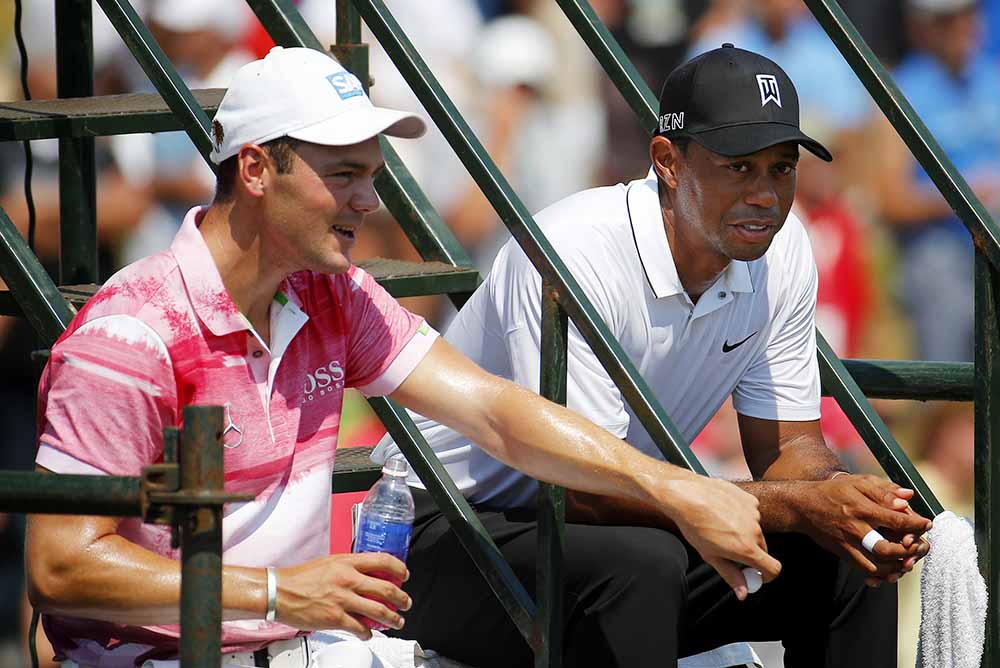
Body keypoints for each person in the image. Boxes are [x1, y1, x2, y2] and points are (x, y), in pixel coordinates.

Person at [24, 46, 777, 668]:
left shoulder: (332, 294)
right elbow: (59, 567)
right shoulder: (130, 334)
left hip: (301, 644)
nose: (368, 202)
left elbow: (494, 409)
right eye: (344, 174)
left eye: (373, 176)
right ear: (254, 170)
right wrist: (281, 592)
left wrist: (676, 490)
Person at [373, 44, 932, 667]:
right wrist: (799, 505)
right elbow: (579, 491)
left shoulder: (785, 249)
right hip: (433, 532)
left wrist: (848, 500)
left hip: (619, 520)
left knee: (847, 553)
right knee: (643, 563)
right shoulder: (575, 250)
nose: (766, 195)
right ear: (667, 162)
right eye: (737, 167)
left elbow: (786, 450)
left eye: (781, 167)